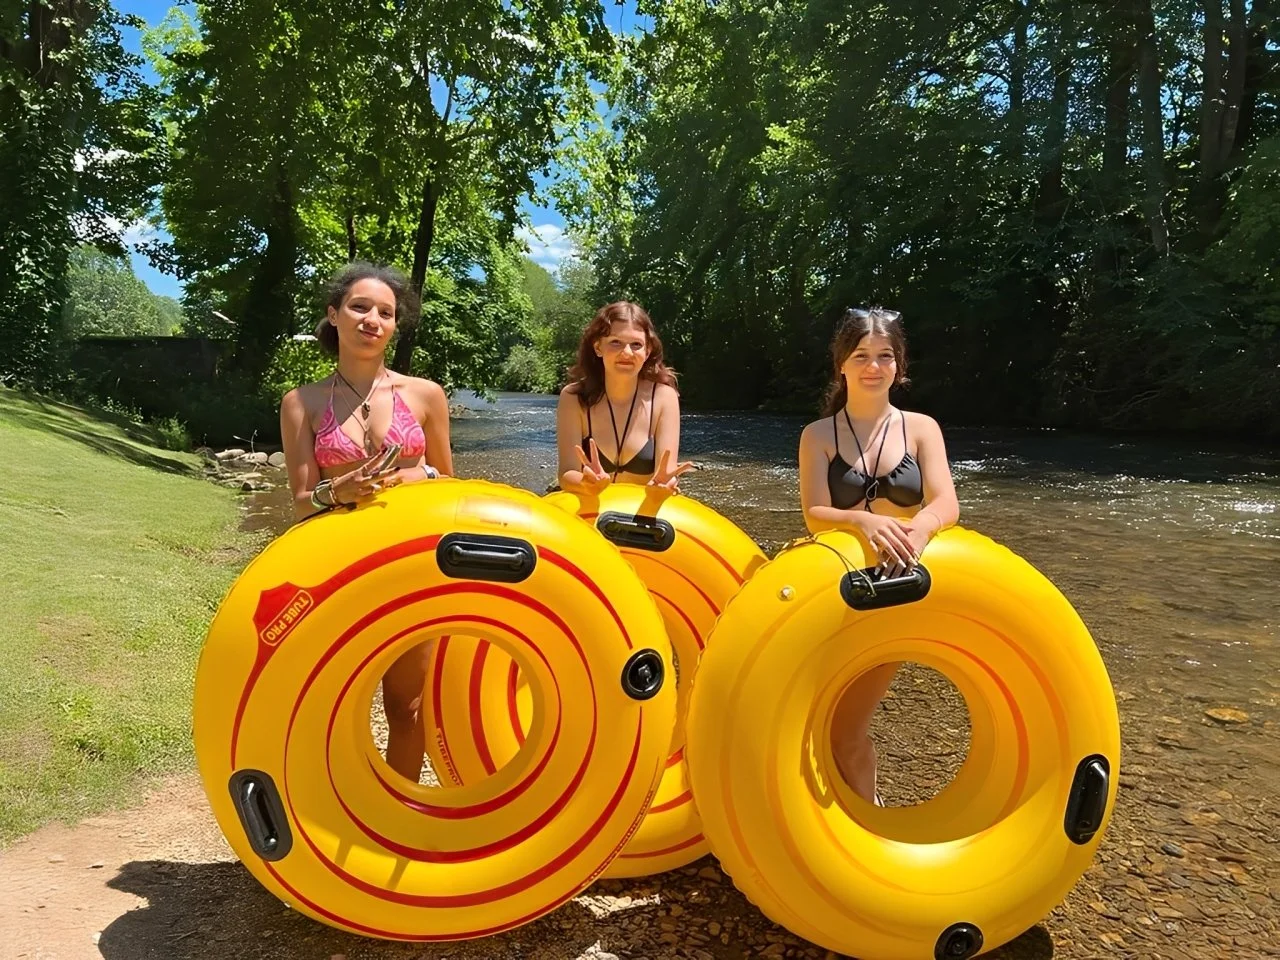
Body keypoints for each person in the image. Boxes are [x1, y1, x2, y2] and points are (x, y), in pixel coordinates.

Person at [279, 261, 454, 782]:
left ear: (396, 325)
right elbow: (301, 502)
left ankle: (400, 821)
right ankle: (333, 821)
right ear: (334, 315)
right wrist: (339, 490)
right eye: (359, 307)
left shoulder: (425, 395)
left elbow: (449, 484)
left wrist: (412, 477)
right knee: (329, 709)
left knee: (406, 706)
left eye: (386, 312)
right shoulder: (302, 402)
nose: (372, 320)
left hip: (413, 563)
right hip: (339, 568)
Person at [797, 306, 960, 804]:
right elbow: (814, 512)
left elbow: (946, 501)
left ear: (900, 365)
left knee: (846, 730)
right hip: (839, 592)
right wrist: (861, 519)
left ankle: (866, 818)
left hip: (899, 590)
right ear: (841, 365)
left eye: (885, 356)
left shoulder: (921, 428)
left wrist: (922, 530)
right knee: (819, 721)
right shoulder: (818, 435)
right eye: (861, 355)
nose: (874, 366)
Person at [555, 301, 692, 494]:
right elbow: (567, 473)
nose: (626, 353)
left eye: (636, 345)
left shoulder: (664, 398)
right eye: (615, 342)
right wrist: (585, 483)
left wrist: (664, 485)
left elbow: (666, 475)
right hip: (588, 506)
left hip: (643, 508)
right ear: (598, 348)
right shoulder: (573, 397)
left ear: (648, 351)